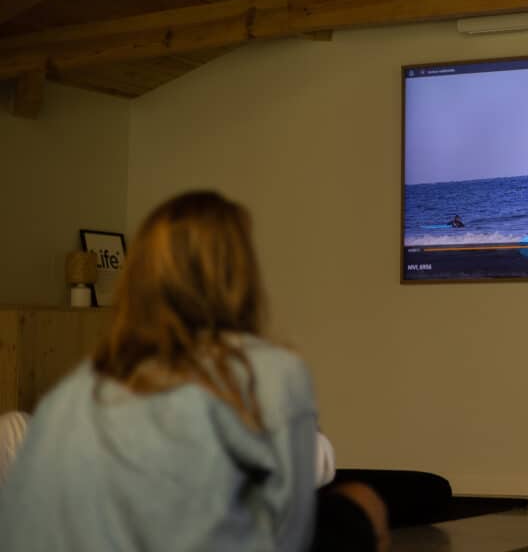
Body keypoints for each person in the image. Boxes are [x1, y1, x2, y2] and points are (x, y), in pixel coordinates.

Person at [0, 191, 388, 552]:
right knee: (365, 501)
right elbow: (316, 466)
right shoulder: (263, 379)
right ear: (238, 283)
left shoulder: (69, 400)